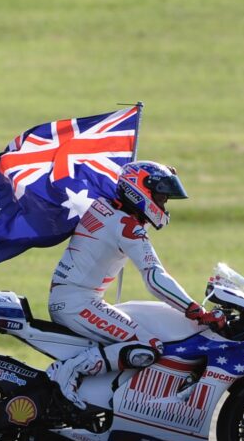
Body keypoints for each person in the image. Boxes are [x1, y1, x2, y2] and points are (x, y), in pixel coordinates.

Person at [45, 160, 225, 409]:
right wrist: (194, 309)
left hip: (76, 300)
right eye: (161, 197)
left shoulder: (104, 206)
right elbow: (154, 279)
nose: (163, 204)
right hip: (78, 305)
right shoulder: (128, 227)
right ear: (140, 190)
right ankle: (67, 371)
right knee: (149, 345)